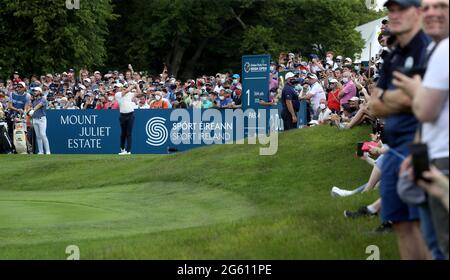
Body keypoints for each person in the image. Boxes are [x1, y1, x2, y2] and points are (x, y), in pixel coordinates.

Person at [368, 0, 432, 260]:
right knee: (401, 225)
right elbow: (374, 106)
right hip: (393, 150)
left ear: (417, 13)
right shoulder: (394, 54)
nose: (393, 15)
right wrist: (404, 97)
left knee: (424, 226)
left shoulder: (427, 49)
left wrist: (393, 100)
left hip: (419, 148)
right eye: (391, 10)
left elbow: (427, 100)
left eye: (400, 9)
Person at [392, 0, 449, 259]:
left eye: (442, 6)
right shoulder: (436, 49)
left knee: (441, 247)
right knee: (434, 242)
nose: (433, 13)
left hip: (444, 160)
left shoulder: (445, 50)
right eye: (427, 8)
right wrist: (417, 152)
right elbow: (429, 120)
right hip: (432, 154)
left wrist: (415, 91)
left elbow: (426, 110)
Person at [115, 83, 144, 155]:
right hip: (122, 116)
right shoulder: (118, 94)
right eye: (122, 87)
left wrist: (137, 86)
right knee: (123, 134)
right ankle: (122, 149)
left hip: (130, 115)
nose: (123, 89)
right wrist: (133, 85)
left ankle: (128, 151)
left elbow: (140, 94)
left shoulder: (130, 94)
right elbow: (127, 90)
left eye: (124, 87)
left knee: (129, 133)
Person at [28, 87, 51, 155]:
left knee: (43, 135)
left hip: (42, 119)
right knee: (38, 136)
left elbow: (39, 105)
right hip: (35, 119)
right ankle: (41, 151)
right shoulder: (34, 101)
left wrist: (33, 110)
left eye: (36, 91)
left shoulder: (43, 99)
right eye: (34, 91)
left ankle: (48, 151)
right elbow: (32, 107)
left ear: (40, 92)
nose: (34, 92)